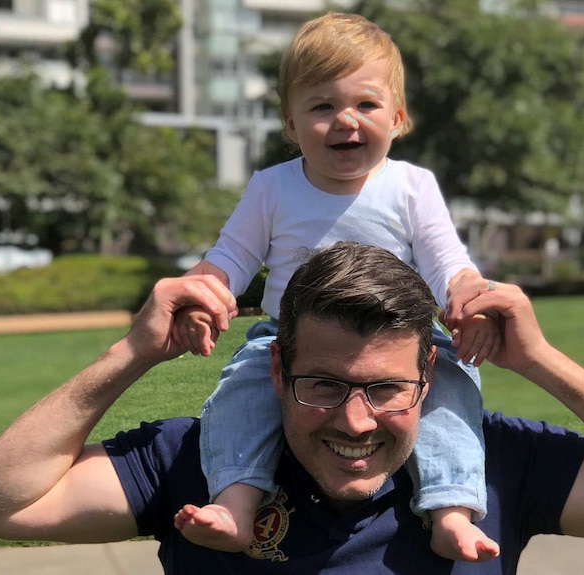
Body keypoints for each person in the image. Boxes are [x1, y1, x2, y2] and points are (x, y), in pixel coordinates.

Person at [0, 242, 584, 575]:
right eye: (322, 384)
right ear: (274, 367)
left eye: (385, 388)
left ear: (431, 376)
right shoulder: (201, 461)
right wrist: (134, 352)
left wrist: (539, 361)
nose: (353, 422)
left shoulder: (491, 461)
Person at [173, 12, 499, 561]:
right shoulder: (272, 187)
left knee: (449, 396)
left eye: (365, 105)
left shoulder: (411, 186)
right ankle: (235, 503)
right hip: (288, 339)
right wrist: (207, 285)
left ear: (397, 117)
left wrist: (467, 292)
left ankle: (451, 510)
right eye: (322, 106)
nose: (345, 120)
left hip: (399, 345)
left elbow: (447, 260)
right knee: (240, 396)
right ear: (290, 125)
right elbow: (233, 253)